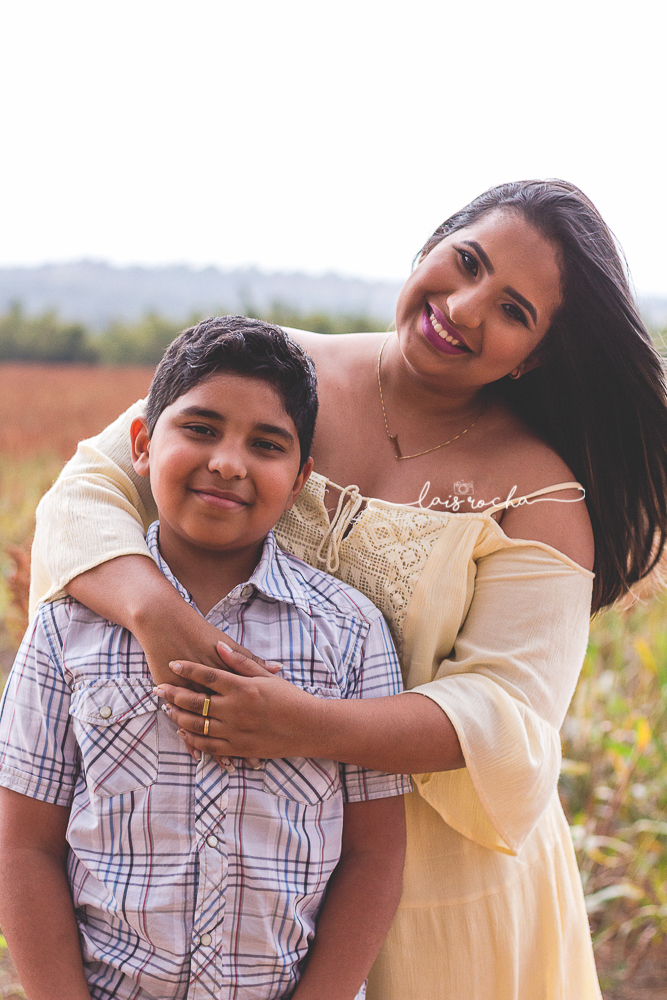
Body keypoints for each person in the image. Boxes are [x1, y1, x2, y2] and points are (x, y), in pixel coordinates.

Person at [26, 180, 667, 999]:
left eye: (512, 310)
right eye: (464, 262)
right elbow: (85, 495)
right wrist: (153, 613)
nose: (464, 307)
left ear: (536, 353)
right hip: (241, 889)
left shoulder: (542, 496)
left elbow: (506, 712)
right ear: (430, 245)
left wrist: (297, 724)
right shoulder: (265, 376)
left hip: (435, 898)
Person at [0, 317, 410, 1000]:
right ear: (141, 445)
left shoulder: (349, 633)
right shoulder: (67, 626)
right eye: (200, 428)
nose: (227, 461)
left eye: (266, 444)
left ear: (300, 477)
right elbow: (23, 847)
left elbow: (374, 854)